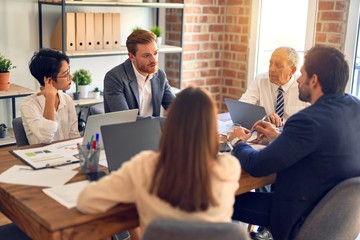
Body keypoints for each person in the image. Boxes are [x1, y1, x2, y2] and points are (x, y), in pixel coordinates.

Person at [229, 45, 360, 240]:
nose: (298, 79)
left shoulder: (308, 120)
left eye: (302, 74)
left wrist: (238, 142)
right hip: (332, 218)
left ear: (314, 80)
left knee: (219, 198)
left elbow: (258, 165)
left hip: (298, 217)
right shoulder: (355, 107)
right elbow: (319, 146)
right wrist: (280, 138)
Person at [77, 87, 241, 238]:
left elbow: (86, 201)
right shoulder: (229, 167)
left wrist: (136, 195)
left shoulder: (144, 166)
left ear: (169, 124)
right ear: (211, 128)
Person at [103, 29, 176, 117]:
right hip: (127, 130)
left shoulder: (160, 75)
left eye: (155, 53)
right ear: (131, 56)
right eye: (146, 55)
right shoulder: (114, 78)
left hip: (153, 130)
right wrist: (160, 122)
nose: (154, 60)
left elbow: (175, 109)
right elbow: (125, 119)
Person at [20, 48, 80, 145]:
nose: (71, 77)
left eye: (68, 71)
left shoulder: (67, 99)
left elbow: (74, 136)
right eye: (65, 74)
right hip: (42, 157)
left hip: (67, 156)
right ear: (49, 81)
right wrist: (50, 97)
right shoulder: (28, 105)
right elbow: (46, 138)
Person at [240, 46, 309, 127]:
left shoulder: (303, 85)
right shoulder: (261, 80)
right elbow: (242, 107)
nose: (272, 69)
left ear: (292, 70)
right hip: (263, 135)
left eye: (278, 66)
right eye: (270, 63)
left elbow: (309, 122)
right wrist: (264, 118)